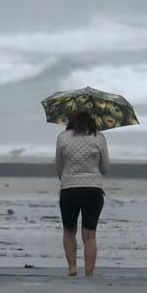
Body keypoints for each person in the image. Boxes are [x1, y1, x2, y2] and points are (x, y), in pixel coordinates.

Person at [55, 110, 110, 277]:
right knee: (90, 235)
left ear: (70, 119)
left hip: (69, 188)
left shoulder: (63, 137)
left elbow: (59, 166)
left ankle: (72, 267)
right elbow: (105, 167)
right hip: (93, 190)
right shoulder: (99, 138)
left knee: (69, 230)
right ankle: (89, 273)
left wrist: (66, 180)